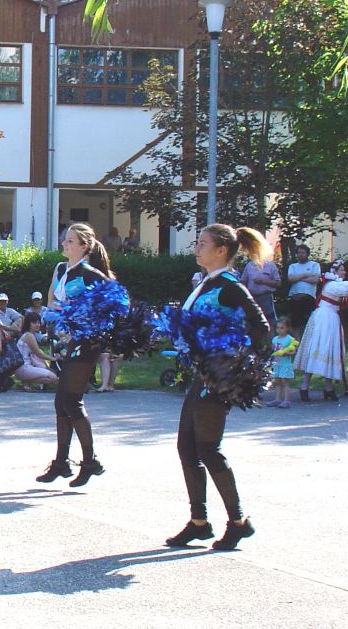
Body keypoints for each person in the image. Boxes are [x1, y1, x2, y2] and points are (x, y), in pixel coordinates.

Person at [165, 223, 269, 551]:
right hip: (202, 374)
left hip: (218, 376)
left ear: (222, 250)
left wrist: (234, 365)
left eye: (203, 244)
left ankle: (238, 522)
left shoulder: (229, 286)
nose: (196, 248)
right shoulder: (206, 283)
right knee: (187, 447)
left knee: (208, 449)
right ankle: (199, 522)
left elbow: (261, 328)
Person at [35, 222, 113, 488]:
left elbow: (114, 303)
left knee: (72, 401)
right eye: (64, 239)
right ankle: (61, 462)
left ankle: (90, 461)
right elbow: (52, 300)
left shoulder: (90, 274)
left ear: (84, 246)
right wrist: (57, 319)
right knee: (62, 402)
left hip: (86, 343)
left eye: (70, 241)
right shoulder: (61, 269)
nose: (64, 244)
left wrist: (83, 323)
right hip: (67, 340)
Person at [294, 259, 348, 402]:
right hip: (324, 319)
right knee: (317, 348)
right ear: (334, 271)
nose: (344, 272)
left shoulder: (335, 284)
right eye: (341, 270)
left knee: (331, 350)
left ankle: (328, 387)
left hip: (332, 319)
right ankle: (304, 386)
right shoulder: (332, 285)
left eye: (344, 270)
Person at [15, 311, 58, 391]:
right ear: (28, 324)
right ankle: (25, 381)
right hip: (23, 368)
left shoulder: (31, 334)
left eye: (38, 322)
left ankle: (25, 383)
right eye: (34, 323)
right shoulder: (29, 336)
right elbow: (39, 354)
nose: (37, 325)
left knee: (52, 373)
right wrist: (54, 359)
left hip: (26, 367)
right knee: (53, 377)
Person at [239, 252, 280, 331]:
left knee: (270, 321)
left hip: (266, 297)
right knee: (253, 322)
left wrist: (263, 281)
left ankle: (270, 339)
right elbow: (243, 281)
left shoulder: (270, 265)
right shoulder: (249, 265)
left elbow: (278, 283)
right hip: (253, 298)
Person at [286, 245, 320, 338]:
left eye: (303, 252)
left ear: (307, 254)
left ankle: (308, 341)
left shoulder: (314, 265)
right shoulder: (293, 266)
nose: (301, 254)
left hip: (309, 297)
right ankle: (297, 342)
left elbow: (315, 280)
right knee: (295, 322)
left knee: (308, 321)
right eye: (299, 253)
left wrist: (298, 278)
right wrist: (305, 274)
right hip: (295, 298)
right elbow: (291, 279)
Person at [267, 316, 297, 409]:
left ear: (288, 328)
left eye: (282, 328)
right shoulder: (275, 339)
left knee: (285, 381)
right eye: (278, 328)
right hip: (277, 364)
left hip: (285, 364)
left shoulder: (289, 339)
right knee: (278, 381)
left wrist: (286, 353)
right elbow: (274, 349)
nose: (279, 330)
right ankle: (278, 399)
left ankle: (287, 400)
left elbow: (293, 351)